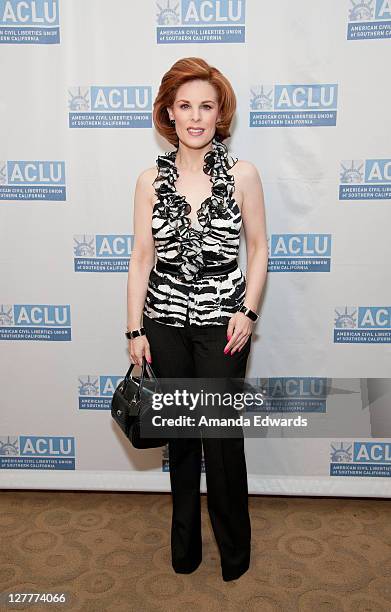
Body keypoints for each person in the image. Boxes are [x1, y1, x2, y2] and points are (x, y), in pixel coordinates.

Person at [126, 57, 268, 581]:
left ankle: (235, 553)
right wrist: (134, 329)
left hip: (223, 325)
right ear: (169, 112)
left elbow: (259, 249)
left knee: (223, 440)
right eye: (185, 105)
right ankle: (184, 551)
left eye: (206, 106)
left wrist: (248, 312)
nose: (196, 116)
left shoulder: (243, 175)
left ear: (219, 114)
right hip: (162, 323)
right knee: (182, 438)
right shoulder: (147, 181)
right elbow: (142, 256)